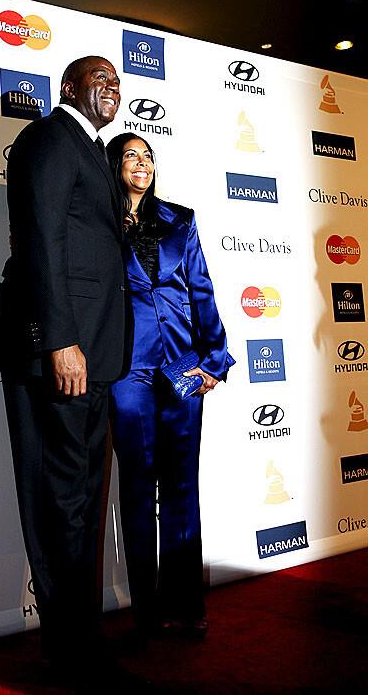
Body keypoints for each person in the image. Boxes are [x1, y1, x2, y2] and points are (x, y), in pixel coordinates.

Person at [0, 57, 125, 684]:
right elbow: (40, 239)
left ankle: (81, 639)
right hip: (61, 355)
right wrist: (59, 341)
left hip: (93, 355)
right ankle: (70, 650)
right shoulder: (48, 137)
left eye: (118, 83)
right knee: (58, 501)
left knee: (81, 502)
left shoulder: (94, 151)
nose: (113, 89)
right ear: (70, 87)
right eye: (101, 78)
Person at [106, 132, 235, 640]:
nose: (142, 163)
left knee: (182, 489)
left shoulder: (180, 219)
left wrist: (214, 361)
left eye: (148, 155)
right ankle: (145, 613)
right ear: (114, 165)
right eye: (131, 156)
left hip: (183, 368)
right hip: (128, 371)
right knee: (137, 489)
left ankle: (185, 606)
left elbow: (201, 289)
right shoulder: (100, 224)